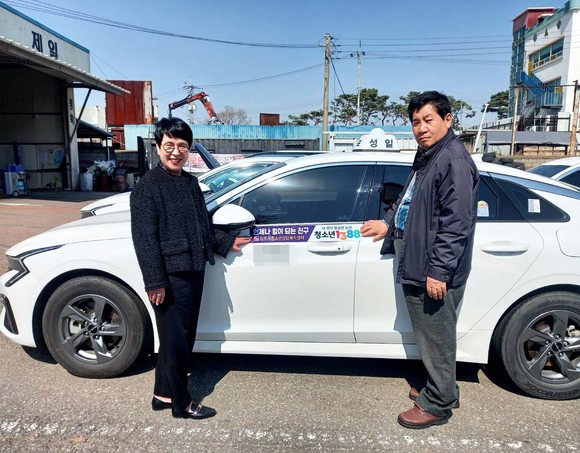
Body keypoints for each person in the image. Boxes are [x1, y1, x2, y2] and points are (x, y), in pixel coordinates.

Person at [361, 91, 479, 429]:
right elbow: (408, 199)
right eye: (416, 122)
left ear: (448, 120)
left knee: (436, 335)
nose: (421, 128)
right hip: (419, 258)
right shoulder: (429, 155)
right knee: (430, 334)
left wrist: (438, 271)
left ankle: (439, 403)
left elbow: (456, 223)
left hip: (431, 265)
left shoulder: (453, 160)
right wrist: (388, 222)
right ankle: (440, 387)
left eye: (428, 120)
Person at [130, 117, 251, 420]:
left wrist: (226, 242)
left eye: (182, 146)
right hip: (170, 276)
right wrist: (155, 281)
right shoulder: (148, 187)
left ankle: (162, 394)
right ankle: (181, 404)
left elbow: (201, 226)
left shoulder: (189, 182)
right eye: (169, 145)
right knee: (176, 343)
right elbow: (145, 239)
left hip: (193, 269)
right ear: (157, 146)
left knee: (181, 339)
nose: (176, 152)